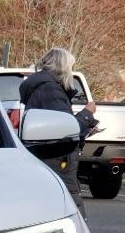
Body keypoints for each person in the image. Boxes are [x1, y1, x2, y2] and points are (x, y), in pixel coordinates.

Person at [19, 48, 98, 216]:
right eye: (70, 66)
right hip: (57, 160)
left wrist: (87, 126)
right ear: (62, 67)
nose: (71, 70)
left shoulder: (42, 88)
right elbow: (65, 131)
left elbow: (58, 125)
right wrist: (87, 114)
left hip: (49, 156)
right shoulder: (51, 91)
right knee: (71, 213)